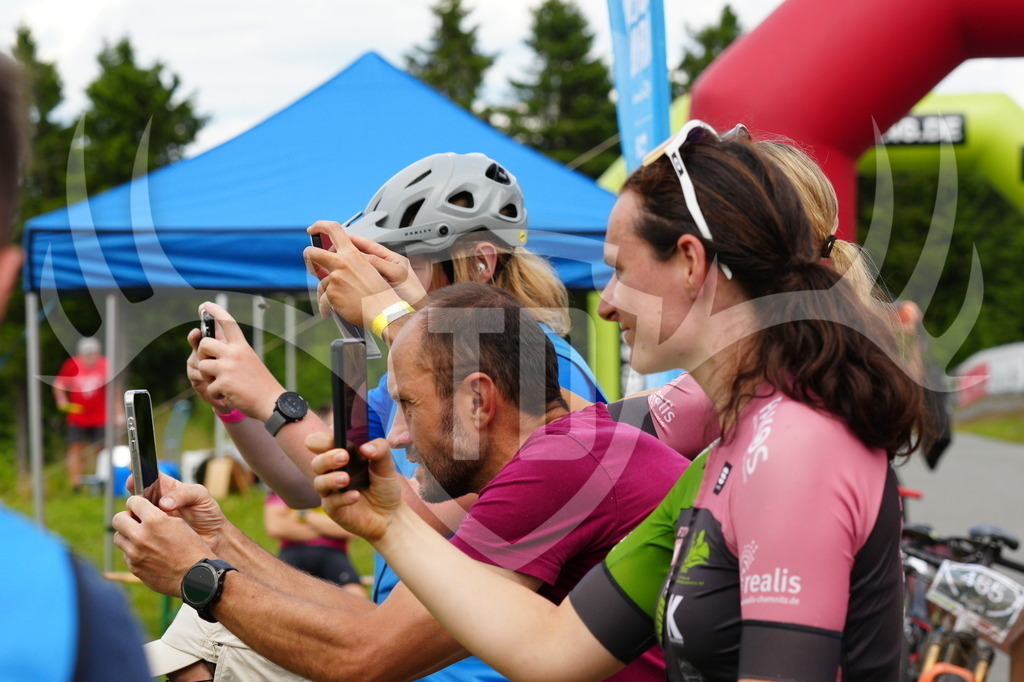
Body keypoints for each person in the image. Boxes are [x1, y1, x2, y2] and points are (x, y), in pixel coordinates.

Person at [313, 121, 933, 681]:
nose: (606, 305)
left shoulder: (796, 450)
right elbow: (553, 648)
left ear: (690, 262)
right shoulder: (727, 454)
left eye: (621, 270)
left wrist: (393, 317)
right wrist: (390, 525)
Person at [161, 152, 606, 681]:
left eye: (401, 262)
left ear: (481, 262)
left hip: (465, 663)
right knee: (194, 636)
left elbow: (416, 513)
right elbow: (308, 483)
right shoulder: (411, 370)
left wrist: (271, 399)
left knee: (206, 632)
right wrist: (235, 403)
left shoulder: (542, 365)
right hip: (397, 634)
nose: (374, 280)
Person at [113, 284, 685, 682]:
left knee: (212, 637)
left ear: (479, 400)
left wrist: (201, 578)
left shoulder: (559, 467)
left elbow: (365, 659)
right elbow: (384, 627)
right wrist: (219, 544)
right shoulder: (566, 450)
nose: (400, 436)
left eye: (408, 405)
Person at [0, 53, 149, 680]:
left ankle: (83, 481)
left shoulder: (65, 616)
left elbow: (104, 383)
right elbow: (65, 387)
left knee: (91, 451)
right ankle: (71, 478)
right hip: (76, 419)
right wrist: (68, 398)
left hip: (94, 420)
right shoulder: (71, 619)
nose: (87, 356)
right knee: (76, 448)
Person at [264, 405, 365, 596]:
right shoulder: (287, 481)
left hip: (332, 555)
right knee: (280, 597)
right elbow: (276, 527)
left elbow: (352, 528)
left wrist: (302, 516)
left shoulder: (342, 478)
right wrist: (328, 525)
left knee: (357, 595)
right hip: (295, 553)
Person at [53, 335, 109, 489]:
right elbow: (59, 384)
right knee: (76, 449)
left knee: (102, 450)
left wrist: (117, 411)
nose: (90, 357)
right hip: (78, 417)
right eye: (87, 353)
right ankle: (75, 485)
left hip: (101, 416)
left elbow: (114, 388)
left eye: (93, 353)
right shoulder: (72, 365)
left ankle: (102, 483)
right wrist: (61, 400)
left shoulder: (105, 365)